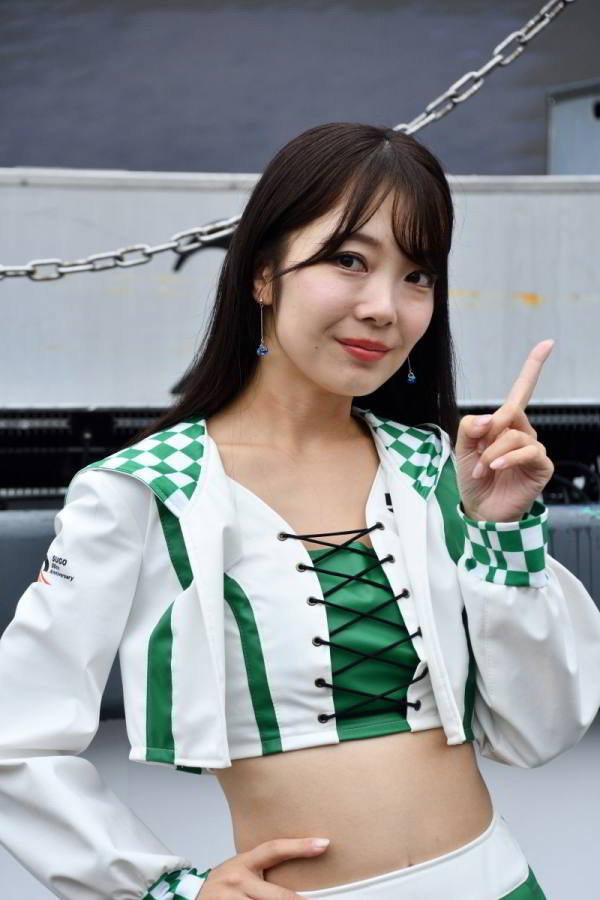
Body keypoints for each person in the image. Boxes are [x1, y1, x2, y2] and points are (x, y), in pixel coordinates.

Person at [2, 122, 600, 900]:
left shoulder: (432, 468)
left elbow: (539, 731)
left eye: (417, 275)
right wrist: (161, 889)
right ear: (262, 274)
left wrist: (502, 532)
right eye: (349, 260)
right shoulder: (145, 489)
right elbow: (15, 736)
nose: (384, 307)